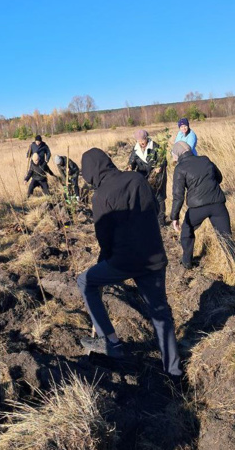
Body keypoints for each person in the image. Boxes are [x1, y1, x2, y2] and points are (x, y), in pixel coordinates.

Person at [77, 148, 182, 380]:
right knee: (160, 313)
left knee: (85, 281)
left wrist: (100, 267)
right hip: (154, 257)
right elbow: (155, 209)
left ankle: (111, 344)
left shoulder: (100, 196)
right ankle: (173, 371)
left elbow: (104, 240)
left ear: (90, 173)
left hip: (124, 261)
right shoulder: (137, 178)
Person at [171, 141, 235, 268]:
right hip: (218, 205)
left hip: (197, 208)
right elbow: (219, 178)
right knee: (226, 236)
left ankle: (187, 262)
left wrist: (174, 217)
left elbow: (178, 196)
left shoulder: (180, 168)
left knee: (187, 230)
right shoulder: (205, 159)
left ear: (178, 154)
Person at [128, 129, 168, 227]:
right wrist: (130, 166)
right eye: (139, 140)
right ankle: (147, 220)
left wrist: (160, 167)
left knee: (159, 198)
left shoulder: (155, 147)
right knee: (144, 198)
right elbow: (132, 161)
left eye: (143, 140)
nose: (141, 142)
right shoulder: (136, 149)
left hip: (157, 178)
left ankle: (161, 223)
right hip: (143, 178)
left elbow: (164, 161)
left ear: (147, 138)